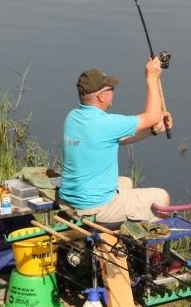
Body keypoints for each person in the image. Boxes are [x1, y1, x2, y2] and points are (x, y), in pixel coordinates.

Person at [58, 57, 173, 222]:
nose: (114, 91)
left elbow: (119, 139)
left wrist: (153, 130)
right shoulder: (106, 123)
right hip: (96, 208)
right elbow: (152, 116)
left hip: (70, 201)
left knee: (125, 182)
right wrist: (152, 78)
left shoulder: (73, 118)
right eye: (111, 88)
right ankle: (147, 243)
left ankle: (118, 236)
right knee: (162, 198)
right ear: (101, 97)